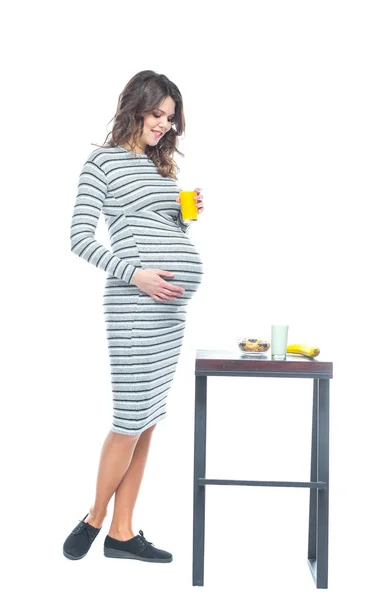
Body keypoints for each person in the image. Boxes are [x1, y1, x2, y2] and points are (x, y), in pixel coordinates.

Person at [63, 70, 204, 563]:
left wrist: (185, 216)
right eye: (157, 114)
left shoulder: (159, 168)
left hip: (169, 315)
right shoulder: (101, 162)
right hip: (134, 307)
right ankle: (96, 517)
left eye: (170, 119)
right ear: (135, 107)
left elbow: (159, 227)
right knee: (128, 418)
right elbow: (81, 239)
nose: (164, 125)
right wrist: (136, 275)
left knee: (147, 421)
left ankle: (123, 533)